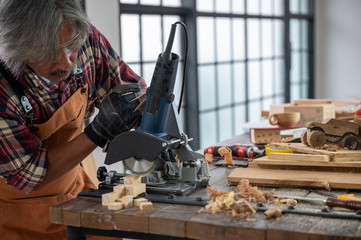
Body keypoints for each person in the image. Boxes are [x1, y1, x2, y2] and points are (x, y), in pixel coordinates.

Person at [0, 0, 147, 239]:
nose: (67, 61)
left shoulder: (85, 39)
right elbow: (30, 173)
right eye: (51, 53)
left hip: (74, 188)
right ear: (19, 47)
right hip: (16, 209)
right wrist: (98, 133)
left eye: (71, 46)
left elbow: (130, 89)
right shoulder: (3, 87)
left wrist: (141, 113)